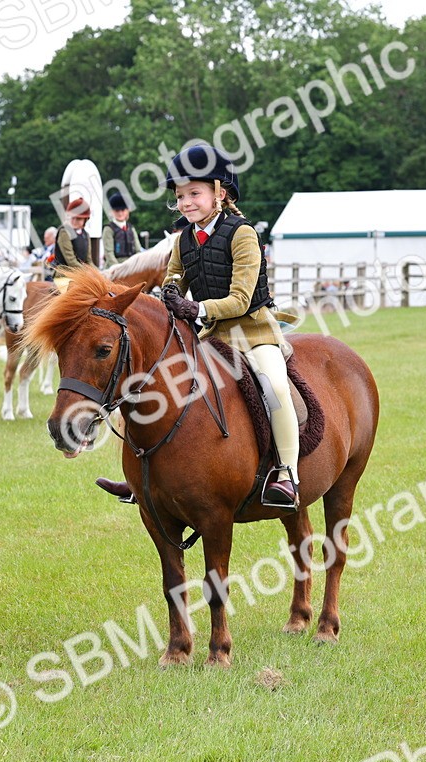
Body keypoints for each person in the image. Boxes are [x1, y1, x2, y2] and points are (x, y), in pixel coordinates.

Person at [100, 144, 300, 508]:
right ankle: (143, 475)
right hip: (209, 337)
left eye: (194, 193)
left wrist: (193, 307)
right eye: (180, 196)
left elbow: (240, 300)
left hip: (252, 332)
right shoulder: (184, 239)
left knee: (275, 388)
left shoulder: (243, 235)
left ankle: (287, 474)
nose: (186, 202)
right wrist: (171, 292)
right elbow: (175, 277)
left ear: (219, 193)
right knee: (154, 386)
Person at [101, 191, 141, 268]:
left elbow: (138, 250)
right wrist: (119, 269)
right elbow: (109, 253)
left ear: (127, 211)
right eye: (117, 211)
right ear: (111, 211)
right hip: (114, 267)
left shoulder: (131, 228)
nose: (120, 213)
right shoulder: (108, 229)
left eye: (122, 210)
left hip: (132, 266)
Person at [53, 199, 95, 271]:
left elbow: (88, 261)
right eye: (72, 217)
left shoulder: (86, 235)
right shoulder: (64, 232)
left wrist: (98, 273)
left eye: (78, 219)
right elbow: (71, 261)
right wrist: (88, 273)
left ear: (85, 219)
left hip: (82, 273)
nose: (74, 221)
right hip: (64, 273)